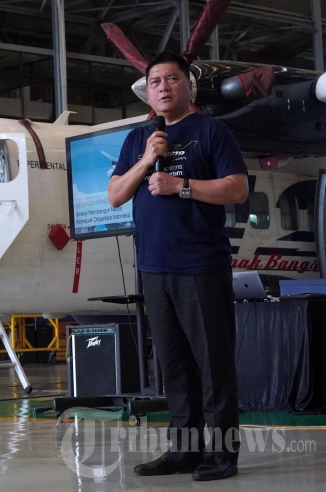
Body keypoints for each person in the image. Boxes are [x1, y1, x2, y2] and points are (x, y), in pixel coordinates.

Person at [108, 51, 249, 482]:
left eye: (172, 79)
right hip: (153, 267)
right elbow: (115, 195)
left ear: (189, 85)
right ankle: (185, 450)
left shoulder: (211, 131)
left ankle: (222, 454)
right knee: (173, 366)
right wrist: (145, 161)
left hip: (200, 264)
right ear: (147, 92)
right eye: (155, 82)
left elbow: (237, 189)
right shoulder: (138, 138)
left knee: (212, 364)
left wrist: (180, 186)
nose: (163, 87)